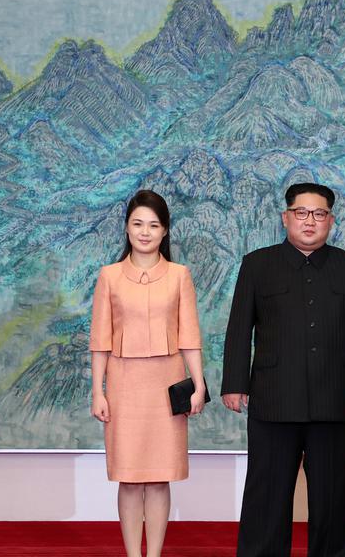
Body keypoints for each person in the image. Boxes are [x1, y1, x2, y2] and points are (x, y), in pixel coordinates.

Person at [222, 182, 345, 557]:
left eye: (319, 214)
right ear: (286, 217)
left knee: (333, 496)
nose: (310, 221)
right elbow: (239, 328)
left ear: (331, 220)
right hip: (274, 399)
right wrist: (234, 383)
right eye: (301, 213)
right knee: (267, 493)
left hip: (334, 398)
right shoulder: (257, 264)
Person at [90, 189, 206, 557]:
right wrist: (98, 391)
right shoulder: (109, 276)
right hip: (123, 385)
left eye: (153, 225)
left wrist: (199, 385)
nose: (145, 232)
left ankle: (154, 554)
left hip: (167, 384)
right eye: (138, 224)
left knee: (158, 476)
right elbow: (100, 340)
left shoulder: (179, 275)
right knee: (129, 477)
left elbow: (189, 335)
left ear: (165, 231)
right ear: (126, 228)